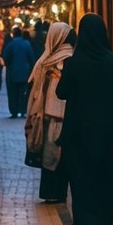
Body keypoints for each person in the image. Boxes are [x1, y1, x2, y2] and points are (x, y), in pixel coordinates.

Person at [56, 14, 113, 225]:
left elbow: (61, 92)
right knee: (105, 174)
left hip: (78, 131)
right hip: (107, 132)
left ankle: (88, 222)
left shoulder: (74, 63)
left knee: (81, 175)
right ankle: (102, 223)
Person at [24, 21, 74, 203]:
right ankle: (56, 192)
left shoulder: (50, 59)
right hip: (61, 114)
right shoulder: (65, 58)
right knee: (55, 154)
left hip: (49, 113)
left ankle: (52, 192)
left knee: (52, 154)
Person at [4, 25, 34, 118]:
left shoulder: (10, 44)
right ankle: (22, 110)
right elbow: (31, 58)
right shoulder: (27, 44)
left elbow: (6, 58)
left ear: (13, 34)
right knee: (23, 93)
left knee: (13, 93)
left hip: (12, 72)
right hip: (24, 73)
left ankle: (14, 112)